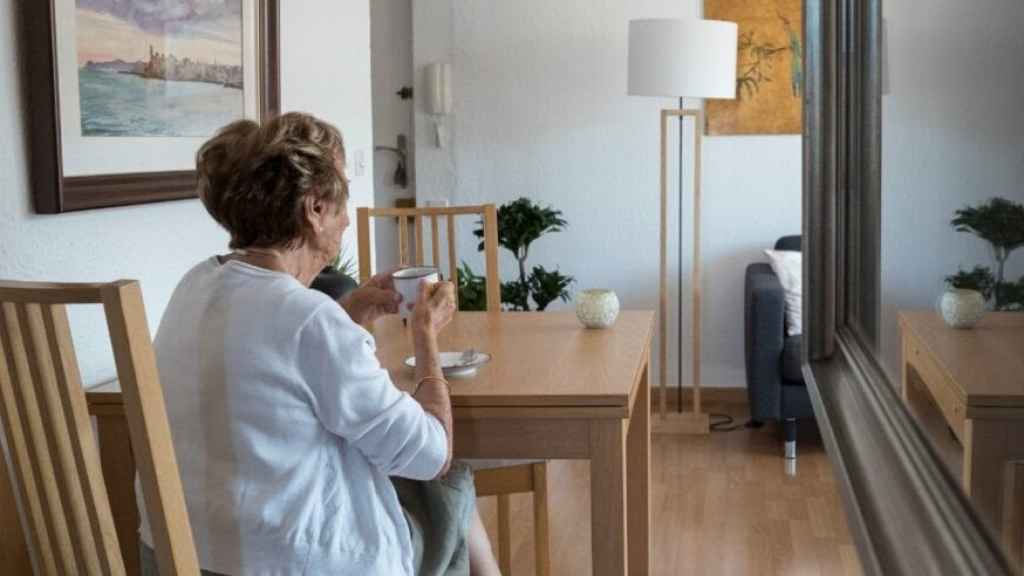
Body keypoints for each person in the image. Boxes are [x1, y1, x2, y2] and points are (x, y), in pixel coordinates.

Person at [138, 112, 501, 575]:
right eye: (343, 199)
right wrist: (425, 334)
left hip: (183, 558)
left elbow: (275, 362)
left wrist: (352, 313)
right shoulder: (308, 320)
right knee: (448, 489)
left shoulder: (196, 283)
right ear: (314, 209)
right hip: (292, 563)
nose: (348, 220)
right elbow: (431, 453)